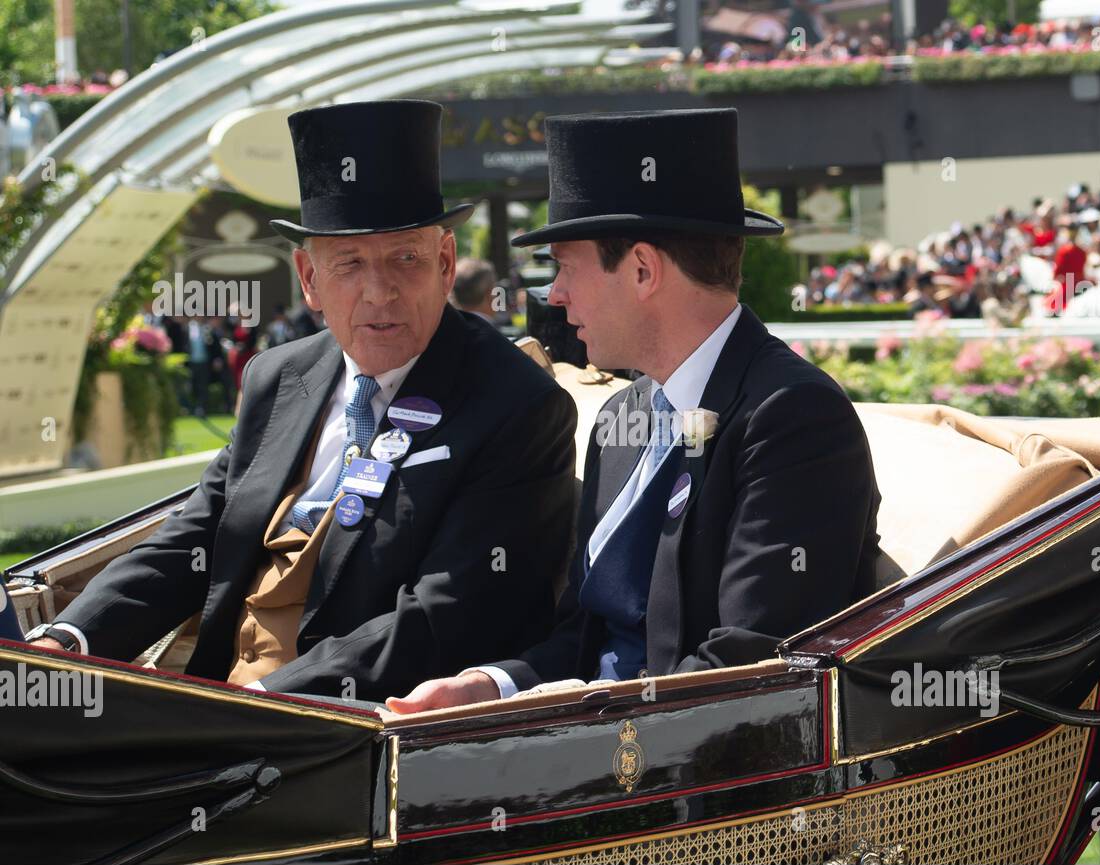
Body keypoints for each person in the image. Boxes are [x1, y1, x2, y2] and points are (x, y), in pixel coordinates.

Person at [24, 100, 577, 702]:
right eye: (349, 264)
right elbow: (198, 536)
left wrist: (270, 702)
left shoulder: (515, 404)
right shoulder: (279, 377)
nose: (379, 291)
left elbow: (452, 610)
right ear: (309, 280)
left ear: (445, 264)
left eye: (405, 258)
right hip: (213, 702)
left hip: (346, 727)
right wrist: (70, 641)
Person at [386, 108, 881, 713]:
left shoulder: (793, 418)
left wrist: (579, 710)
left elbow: (754, 666)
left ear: (643, 270)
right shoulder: (624, 418)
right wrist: (492, 684)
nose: (554, 294)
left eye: (565, 265)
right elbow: (584, 633)